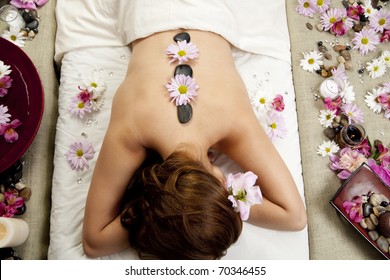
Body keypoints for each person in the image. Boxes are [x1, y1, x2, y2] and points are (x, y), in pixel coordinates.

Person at [82, 29, 307, 260]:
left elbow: (296, 218)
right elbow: (94, 242)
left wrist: (222, 197)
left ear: (220, 184)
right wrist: (154, 210)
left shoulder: (231, 123)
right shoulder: (132, 133)